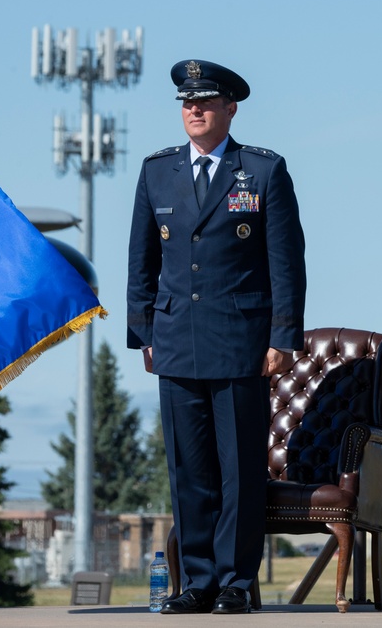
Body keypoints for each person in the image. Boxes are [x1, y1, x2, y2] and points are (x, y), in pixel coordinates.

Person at [126, 60, 307, 614]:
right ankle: (197, 581)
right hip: (177, 339)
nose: (194, 110)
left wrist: (281, 337)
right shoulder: (157, 171)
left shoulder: (263, 171)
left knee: (239, 470)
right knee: (189, 470)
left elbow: (286, 264)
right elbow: (142, 260)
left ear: (231, 108)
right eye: (187, 102)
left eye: (205, 102)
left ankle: (234, 580)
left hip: (240, 343)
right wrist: (144, 332)